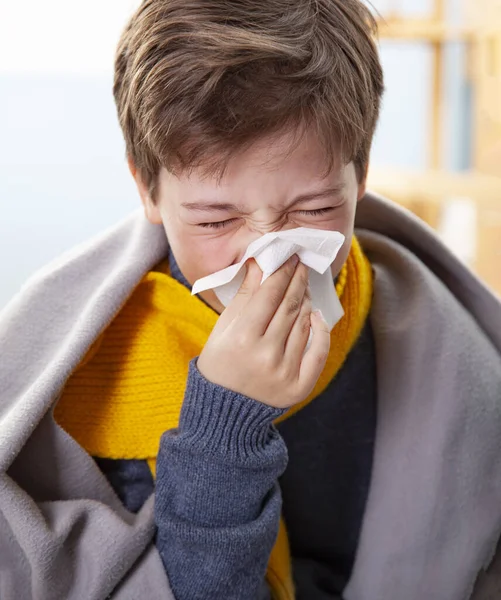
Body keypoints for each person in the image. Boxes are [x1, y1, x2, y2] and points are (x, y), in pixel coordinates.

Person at [1, 1, 500, 599]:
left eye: (313, 210)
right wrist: (225, 424)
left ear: (360, 176)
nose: (269, 257)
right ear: (147, 188)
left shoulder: (446, 351)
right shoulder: (87, 374)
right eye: (216, 219)